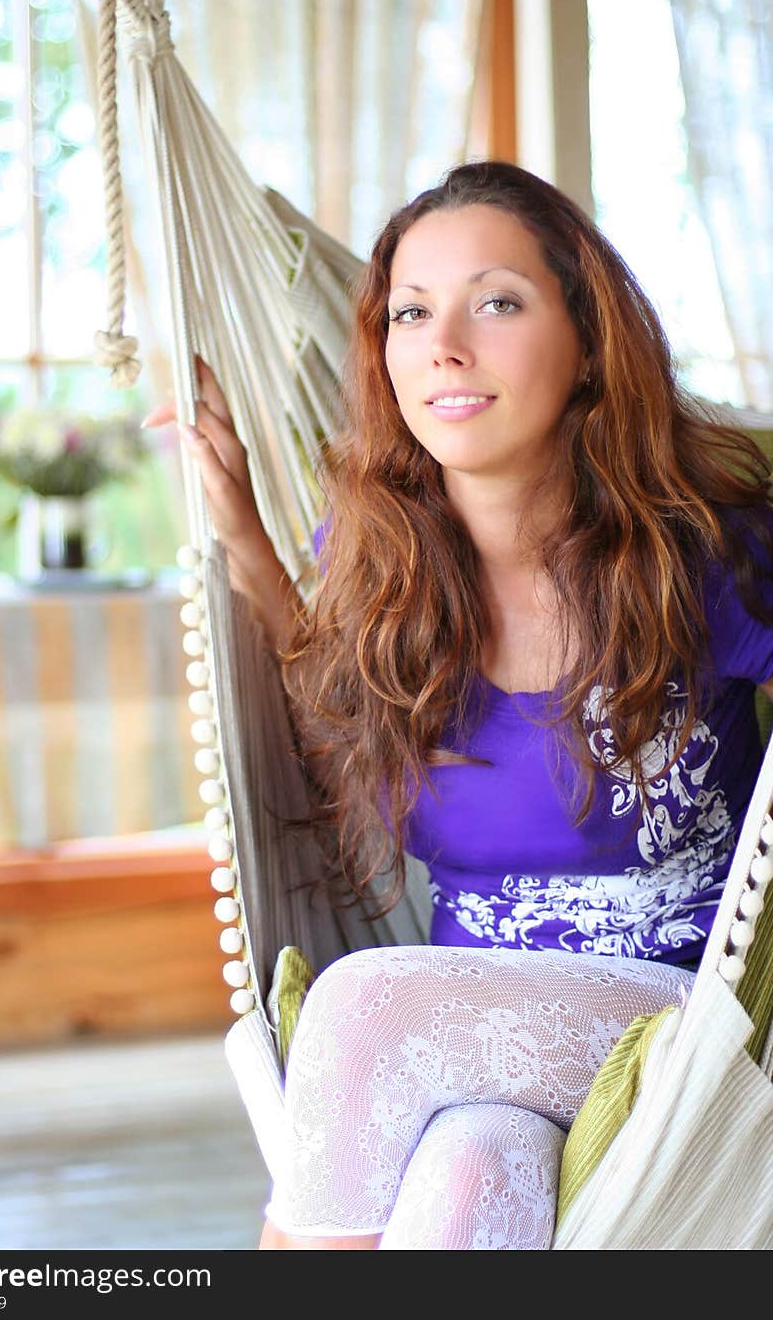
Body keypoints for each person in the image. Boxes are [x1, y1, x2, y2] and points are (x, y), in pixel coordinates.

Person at [144, 160, 773, 1249]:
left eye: (496, 301)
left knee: (362, 1008)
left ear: (586, 346)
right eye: (410, 311)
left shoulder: (701, 553)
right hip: (461, 1034)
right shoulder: (377, 563)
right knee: (469, 1176)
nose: (443, 345)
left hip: (683, 1035)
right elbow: (325, 726)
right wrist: (241, 529)